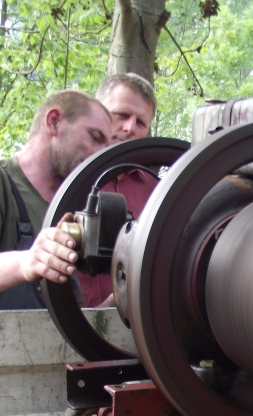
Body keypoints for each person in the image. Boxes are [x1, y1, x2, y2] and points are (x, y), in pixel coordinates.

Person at [0, 89, 112, 310]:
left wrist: (121, 299)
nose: (101, 155)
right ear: (54, 122)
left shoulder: (67, 212)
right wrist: (26, 262)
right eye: (95, 137)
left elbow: (65, 324)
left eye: (107, 148)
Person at [83, 73, 160, 305]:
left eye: (140, 123)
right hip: (67, 319)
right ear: (98, 112)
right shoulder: (68, 177)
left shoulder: (155, 189)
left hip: (135, 320)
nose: (130, 128)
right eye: (122, 115)